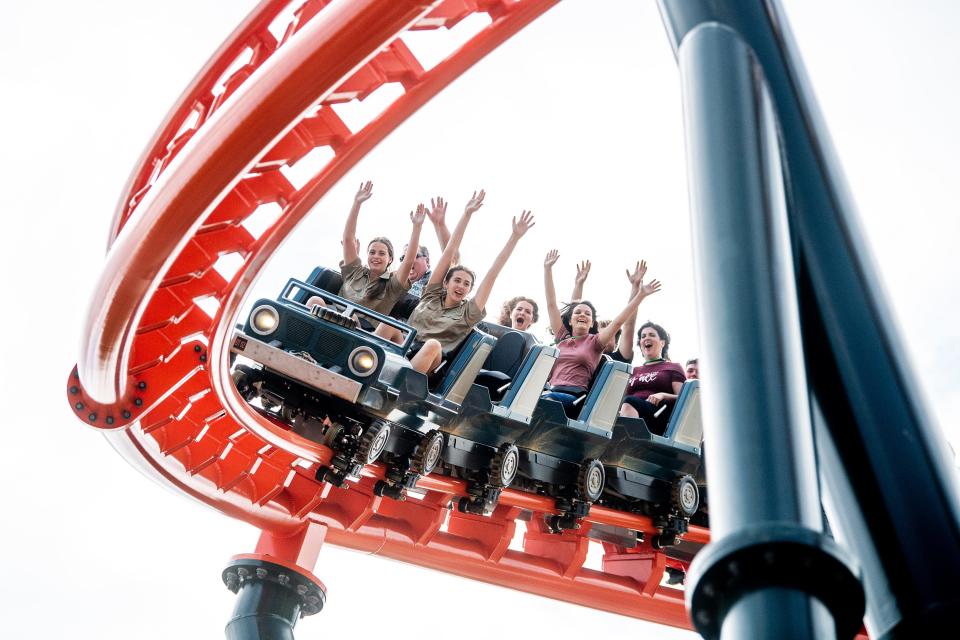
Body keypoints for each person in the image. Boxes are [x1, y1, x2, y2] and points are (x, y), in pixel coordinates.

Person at [377, 190, 536, 375]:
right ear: (446, 283)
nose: (461, 286)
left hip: (431, 358)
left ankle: (396, 383)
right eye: (457, 281)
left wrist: (514, 237)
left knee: (432, 344)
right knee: (389, 323)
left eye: (466, 284)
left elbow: (493, 273)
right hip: (405, 344)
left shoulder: (468, 312)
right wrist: (466, 214)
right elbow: (449, 252)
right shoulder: (431, 295)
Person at [541, 251, 661, 414]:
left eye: (587, 314)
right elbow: (551, 305)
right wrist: (547, 269)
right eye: (578, 313)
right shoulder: (562, 337)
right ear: (569, 320)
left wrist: (640, 294)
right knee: (529, 396)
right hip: (550, 391)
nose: (582, 315)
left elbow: (620, 322)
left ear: (592, 323)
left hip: (574, 398)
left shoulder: (595, 342)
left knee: (546, 401)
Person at [307, 181, 426, 316]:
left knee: (353, 318)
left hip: (360, 329)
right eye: (372, 252)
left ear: (390, 259)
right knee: (315, 300)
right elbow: (348, 239)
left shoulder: (392, 284)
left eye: (382, 253)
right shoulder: (355, 272)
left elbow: (409, 261)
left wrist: (417, 227)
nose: (376, 256)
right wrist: (357, 203)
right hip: (332, 316)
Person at [619, 321, 686, 435]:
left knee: (630, 401)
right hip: (629, 410)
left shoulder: (673, 367)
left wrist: (663, 395)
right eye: (643, 336)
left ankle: (632, 441)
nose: (646, 338)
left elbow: (684, 399)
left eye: (652, 335)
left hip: (658, 414)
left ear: (662, 343)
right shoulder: (633, 370)